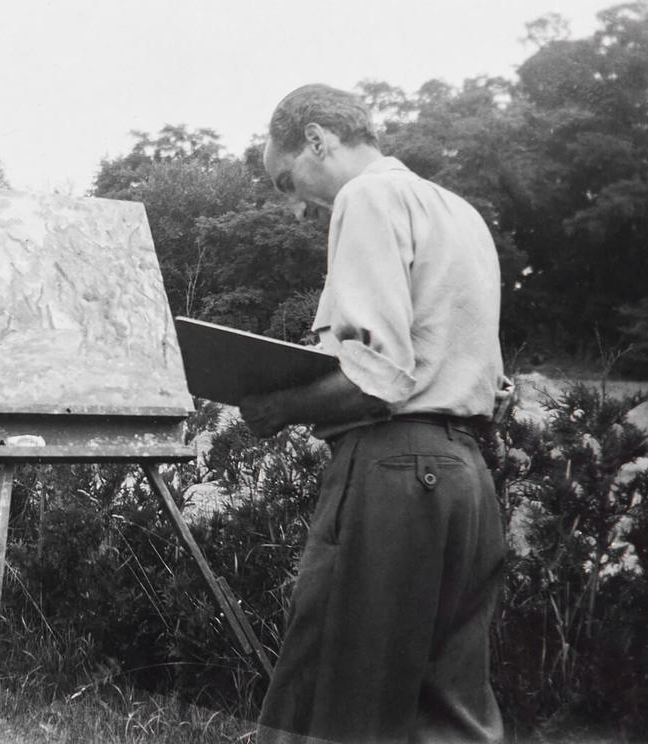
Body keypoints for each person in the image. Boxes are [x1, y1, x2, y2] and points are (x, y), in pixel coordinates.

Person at [240, 84, 508, 743]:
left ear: (316, 140)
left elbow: (378, 378)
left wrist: (278, 404)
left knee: (334, 703)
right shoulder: (459, 212)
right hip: (468, 481)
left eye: (287, 182)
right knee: (449, 714)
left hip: (392, 472)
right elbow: (483, 377)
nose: (297, 207)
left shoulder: (367, 197)